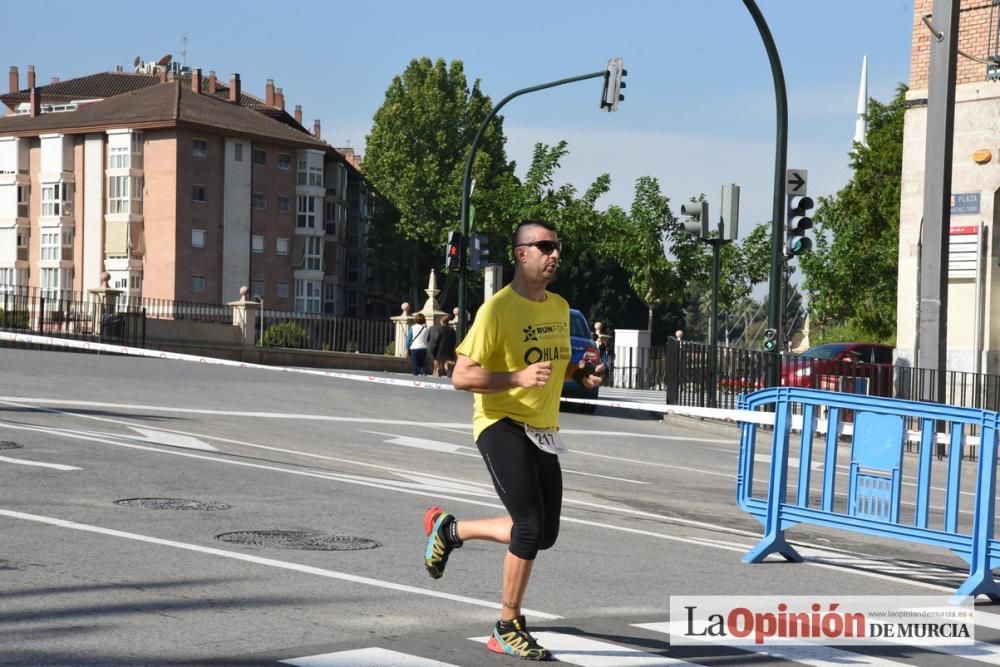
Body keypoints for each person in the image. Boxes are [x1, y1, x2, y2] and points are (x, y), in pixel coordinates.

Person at [422, 219, 605, 661]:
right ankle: (507, 626)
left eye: (557, 247)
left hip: (542, 431)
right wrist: (515, 377)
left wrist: (583, 374)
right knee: (527, 527)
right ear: (522, 254)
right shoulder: (498, 309)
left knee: (544, 534)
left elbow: (556, 366)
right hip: (500, 422)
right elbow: (462, 376)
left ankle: (451, 529)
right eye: (544, 246)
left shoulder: (559, 308)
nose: (554, 254)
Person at [428, 313, 457, 378]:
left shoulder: (437, 329)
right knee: (448, 365)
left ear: (441, 321)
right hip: (449, 352)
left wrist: (432, 352)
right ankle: (448, 371)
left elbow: (434, 341)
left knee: (438, 367)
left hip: (439, 352)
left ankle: (438, 374)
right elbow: (454, 341)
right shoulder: (452, 330)